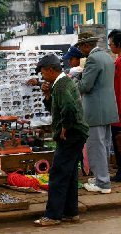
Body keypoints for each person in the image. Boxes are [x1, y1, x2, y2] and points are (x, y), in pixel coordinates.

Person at [33, 54, 89, 226]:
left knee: (58, 174)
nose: (42, 76)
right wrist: (47, 95)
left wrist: (65, 126)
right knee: (70, 174)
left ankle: (53, 215)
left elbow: (70, 108)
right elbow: (57, 108)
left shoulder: (62, 84)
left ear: (50, 69)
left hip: (71, 134)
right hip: (77, 133)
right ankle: (70, 212)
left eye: (42, 72)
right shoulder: (58, 84)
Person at [76, 32, 118, 193]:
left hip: (95, 109)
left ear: (87, 45)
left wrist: (73, 79)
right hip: (107, 107)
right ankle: (103, 177)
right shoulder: (107, 56)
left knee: (96, 146)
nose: (81, 50)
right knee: (104, 145)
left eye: (81, 47)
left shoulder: (92, 59)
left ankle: (102, 182)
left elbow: (85, 86)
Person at [108, 29, 121, 182]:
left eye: (111, 44)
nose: (110, 46)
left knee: (118, 141)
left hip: (118, 109)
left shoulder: (118, 63)